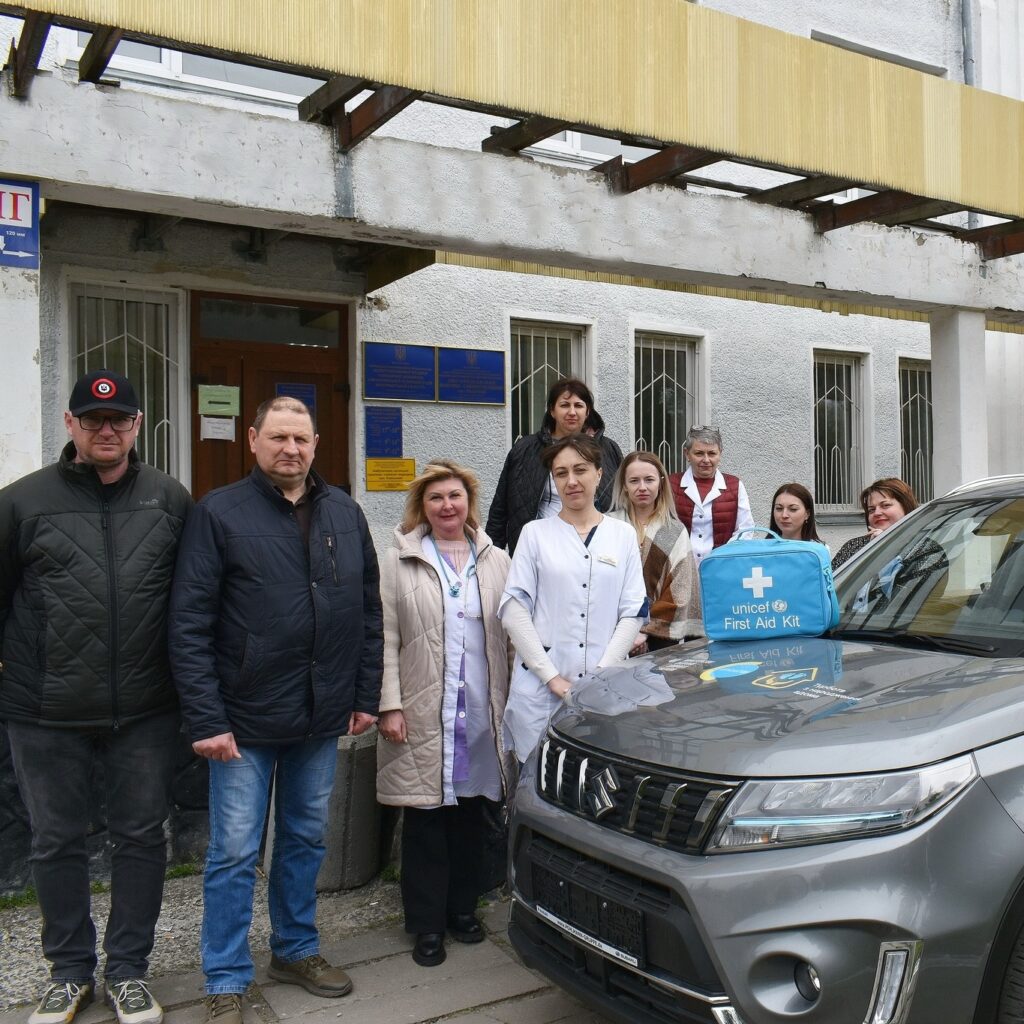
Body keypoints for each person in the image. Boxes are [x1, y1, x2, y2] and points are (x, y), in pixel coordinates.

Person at [168, 397, 383, 1024]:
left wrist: (363, 696)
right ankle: (227, 975)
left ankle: (295, 949)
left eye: (302, 439)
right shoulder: (219, 512)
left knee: (304, 839)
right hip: (244, 719)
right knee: (234, 851)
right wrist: (206, 718)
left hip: (321, 714)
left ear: (316, 443)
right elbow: (189, 623)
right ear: (253, 439)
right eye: (278, 437)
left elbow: (369, 612)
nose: (291, 449)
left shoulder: (344, 510)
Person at [0, 369, 192, 1024]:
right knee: (56, 841)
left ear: (138, 425)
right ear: (70, 426)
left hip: (144, 708)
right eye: (92, 420)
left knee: (142, 837)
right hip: (45, 713)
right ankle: (69, 972)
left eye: (119, 420)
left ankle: (130, 971)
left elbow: (188, 604)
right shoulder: (21, 502)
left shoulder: (169, 499)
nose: (106, 430)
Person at [376, 460, 514, 969]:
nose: (447, 506)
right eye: (436, 499)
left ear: (469, 502)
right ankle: (427, 925)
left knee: (473, 818)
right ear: (422, 507)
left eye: (455, 496)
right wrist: (388, 703)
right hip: (421, 709)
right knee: (426, 822)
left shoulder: (496, 558)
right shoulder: (400, 560)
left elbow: (510, 636)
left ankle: (463, 910)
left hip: (480, 710)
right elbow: (386, 637)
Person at [499, 434, 648, 761]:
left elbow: (633, 611)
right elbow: (513, 610)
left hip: (605, 689)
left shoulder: (621, 535)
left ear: (599, 473)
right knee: (536, 780)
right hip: (540, 689)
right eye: (561, 473)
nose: (571, 481)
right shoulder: (535, 534)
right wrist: (551, 677)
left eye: (580, 470)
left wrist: (601, 672)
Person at [485, 377, 623, 553]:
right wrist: (491, 553)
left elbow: (623, 500)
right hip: (541, 548)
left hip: (599, 547)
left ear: (587, 411)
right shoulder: (525, 449)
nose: (572, 412)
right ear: (552, 410)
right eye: (564, 405)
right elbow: (500, 507)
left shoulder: (608, 449)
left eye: (578, 405)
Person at [609, 451, 701, 653]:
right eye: (634, 480)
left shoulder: (674, 531)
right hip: (609, 633)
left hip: (660, 641)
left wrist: (645, 631)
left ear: (660, 483)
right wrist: (627, 631)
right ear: (624, 485)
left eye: (649, 480)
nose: (642, 487)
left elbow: (680, 591)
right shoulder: (608, 525)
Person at [668, 426, 754, 563]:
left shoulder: (735, 485)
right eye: (699, 453)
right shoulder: (670, 484)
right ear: (686, 454)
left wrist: (723, 558)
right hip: (679, 566)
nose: (706, 460)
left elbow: (745, 529)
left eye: (712, 453)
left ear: (720, 454)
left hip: (722, 566)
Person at [832, 477, 918, 570]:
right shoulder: (853, 546)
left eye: (885, 505)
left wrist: (886, 547)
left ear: (906, 506)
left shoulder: (923, 546)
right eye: (871, 509)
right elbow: (830, 582)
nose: (877, 513)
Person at [769, 482, 827, 546]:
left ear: (807, 514)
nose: (784, 515)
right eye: (779, 508)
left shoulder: (818, 549)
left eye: (793, 509)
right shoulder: (764, 547)